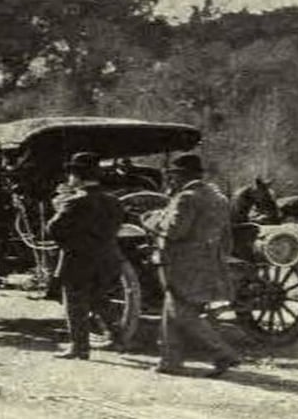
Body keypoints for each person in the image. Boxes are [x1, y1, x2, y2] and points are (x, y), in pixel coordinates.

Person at [141, 153, 242, 378]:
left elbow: (175, 231)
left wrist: (152, 219)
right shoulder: (219, 198)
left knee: (182, 312)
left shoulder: (186, 198)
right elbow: (227, 236)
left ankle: (224, 353)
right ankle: (170, 361)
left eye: (173, 176)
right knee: (173, 309)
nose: (171, 181)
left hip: (181, 264)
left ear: (181, 176)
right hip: (208, 262)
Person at [45, 152, 125, 360]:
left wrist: (69, 244)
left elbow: (53, 229)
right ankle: (119, 337)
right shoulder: (113, 201)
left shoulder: (74, 201)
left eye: (71, 175)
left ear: (77, 177)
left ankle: (79, 347)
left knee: (75, 303)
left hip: (78, 260)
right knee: (100, 299)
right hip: (108, 258)